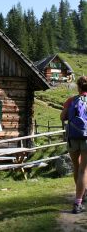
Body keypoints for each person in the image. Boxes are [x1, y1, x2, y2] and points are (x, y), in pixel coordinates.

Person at [60, 76, 87, 214]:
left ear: (78, 87)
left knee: (77, 167)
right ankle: (78, 202)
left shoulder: (71, 101)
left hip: (73, 137)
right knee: (84, 169)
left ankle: (81, 197)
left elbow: (62, 117)